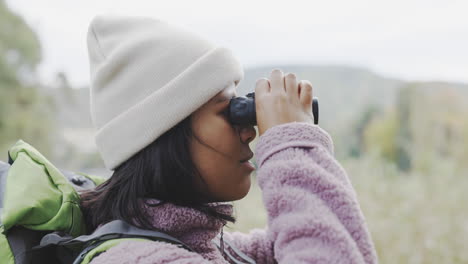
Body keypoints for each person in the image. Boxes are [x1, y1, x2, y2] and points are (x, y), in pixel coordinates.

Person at [79, 15, 378, 264]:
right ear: (165, 132)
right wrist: (290, 144)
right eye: (228, 111)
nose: (250, 130)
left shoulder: (203, 248)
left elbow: (325, 241)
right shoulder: (136, 260)